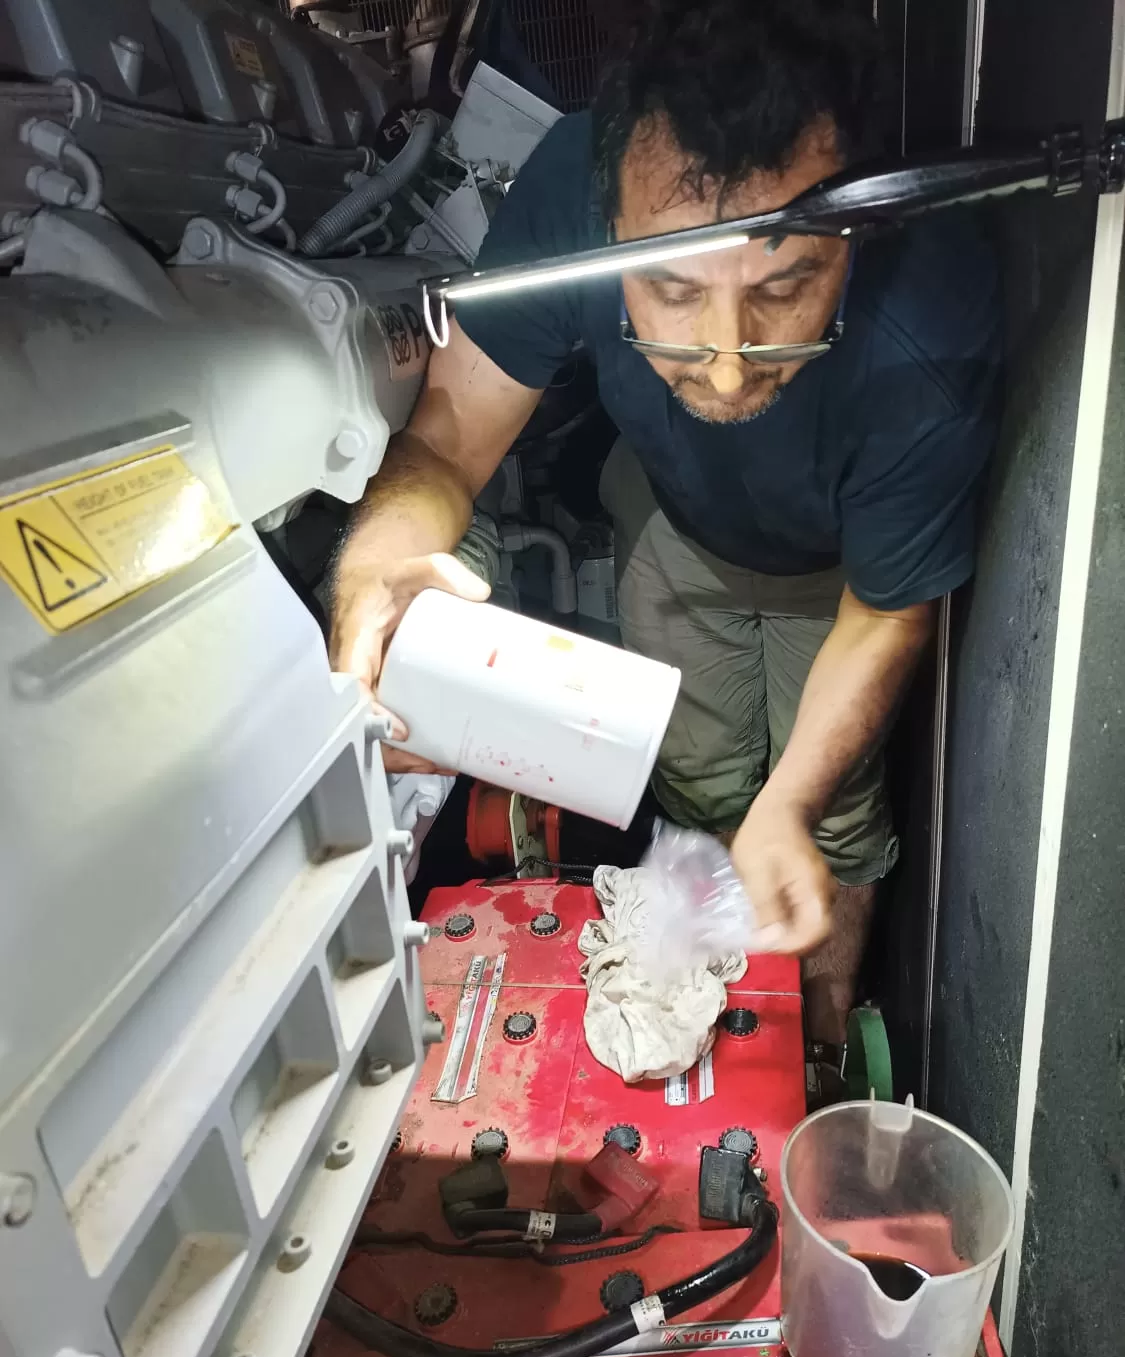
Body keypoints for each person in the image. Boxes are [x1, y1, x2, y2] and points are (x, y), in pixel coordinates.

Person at [331, 0, 1001, 1047]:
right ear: (607, 224)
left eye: (787, 285)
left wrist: (791, 808)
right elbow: (451, 439)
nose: (728, 366)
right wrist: (375, 564)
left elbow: (884, 611)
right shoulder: (571, 182)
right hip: (671, 522)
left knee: (829, 818)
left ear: (856, 234)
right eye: (671, 290)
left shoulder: (933, 319)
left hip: (840, 573)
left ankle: (818, 1045)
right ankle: (710, 1017)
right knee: (702, 773)